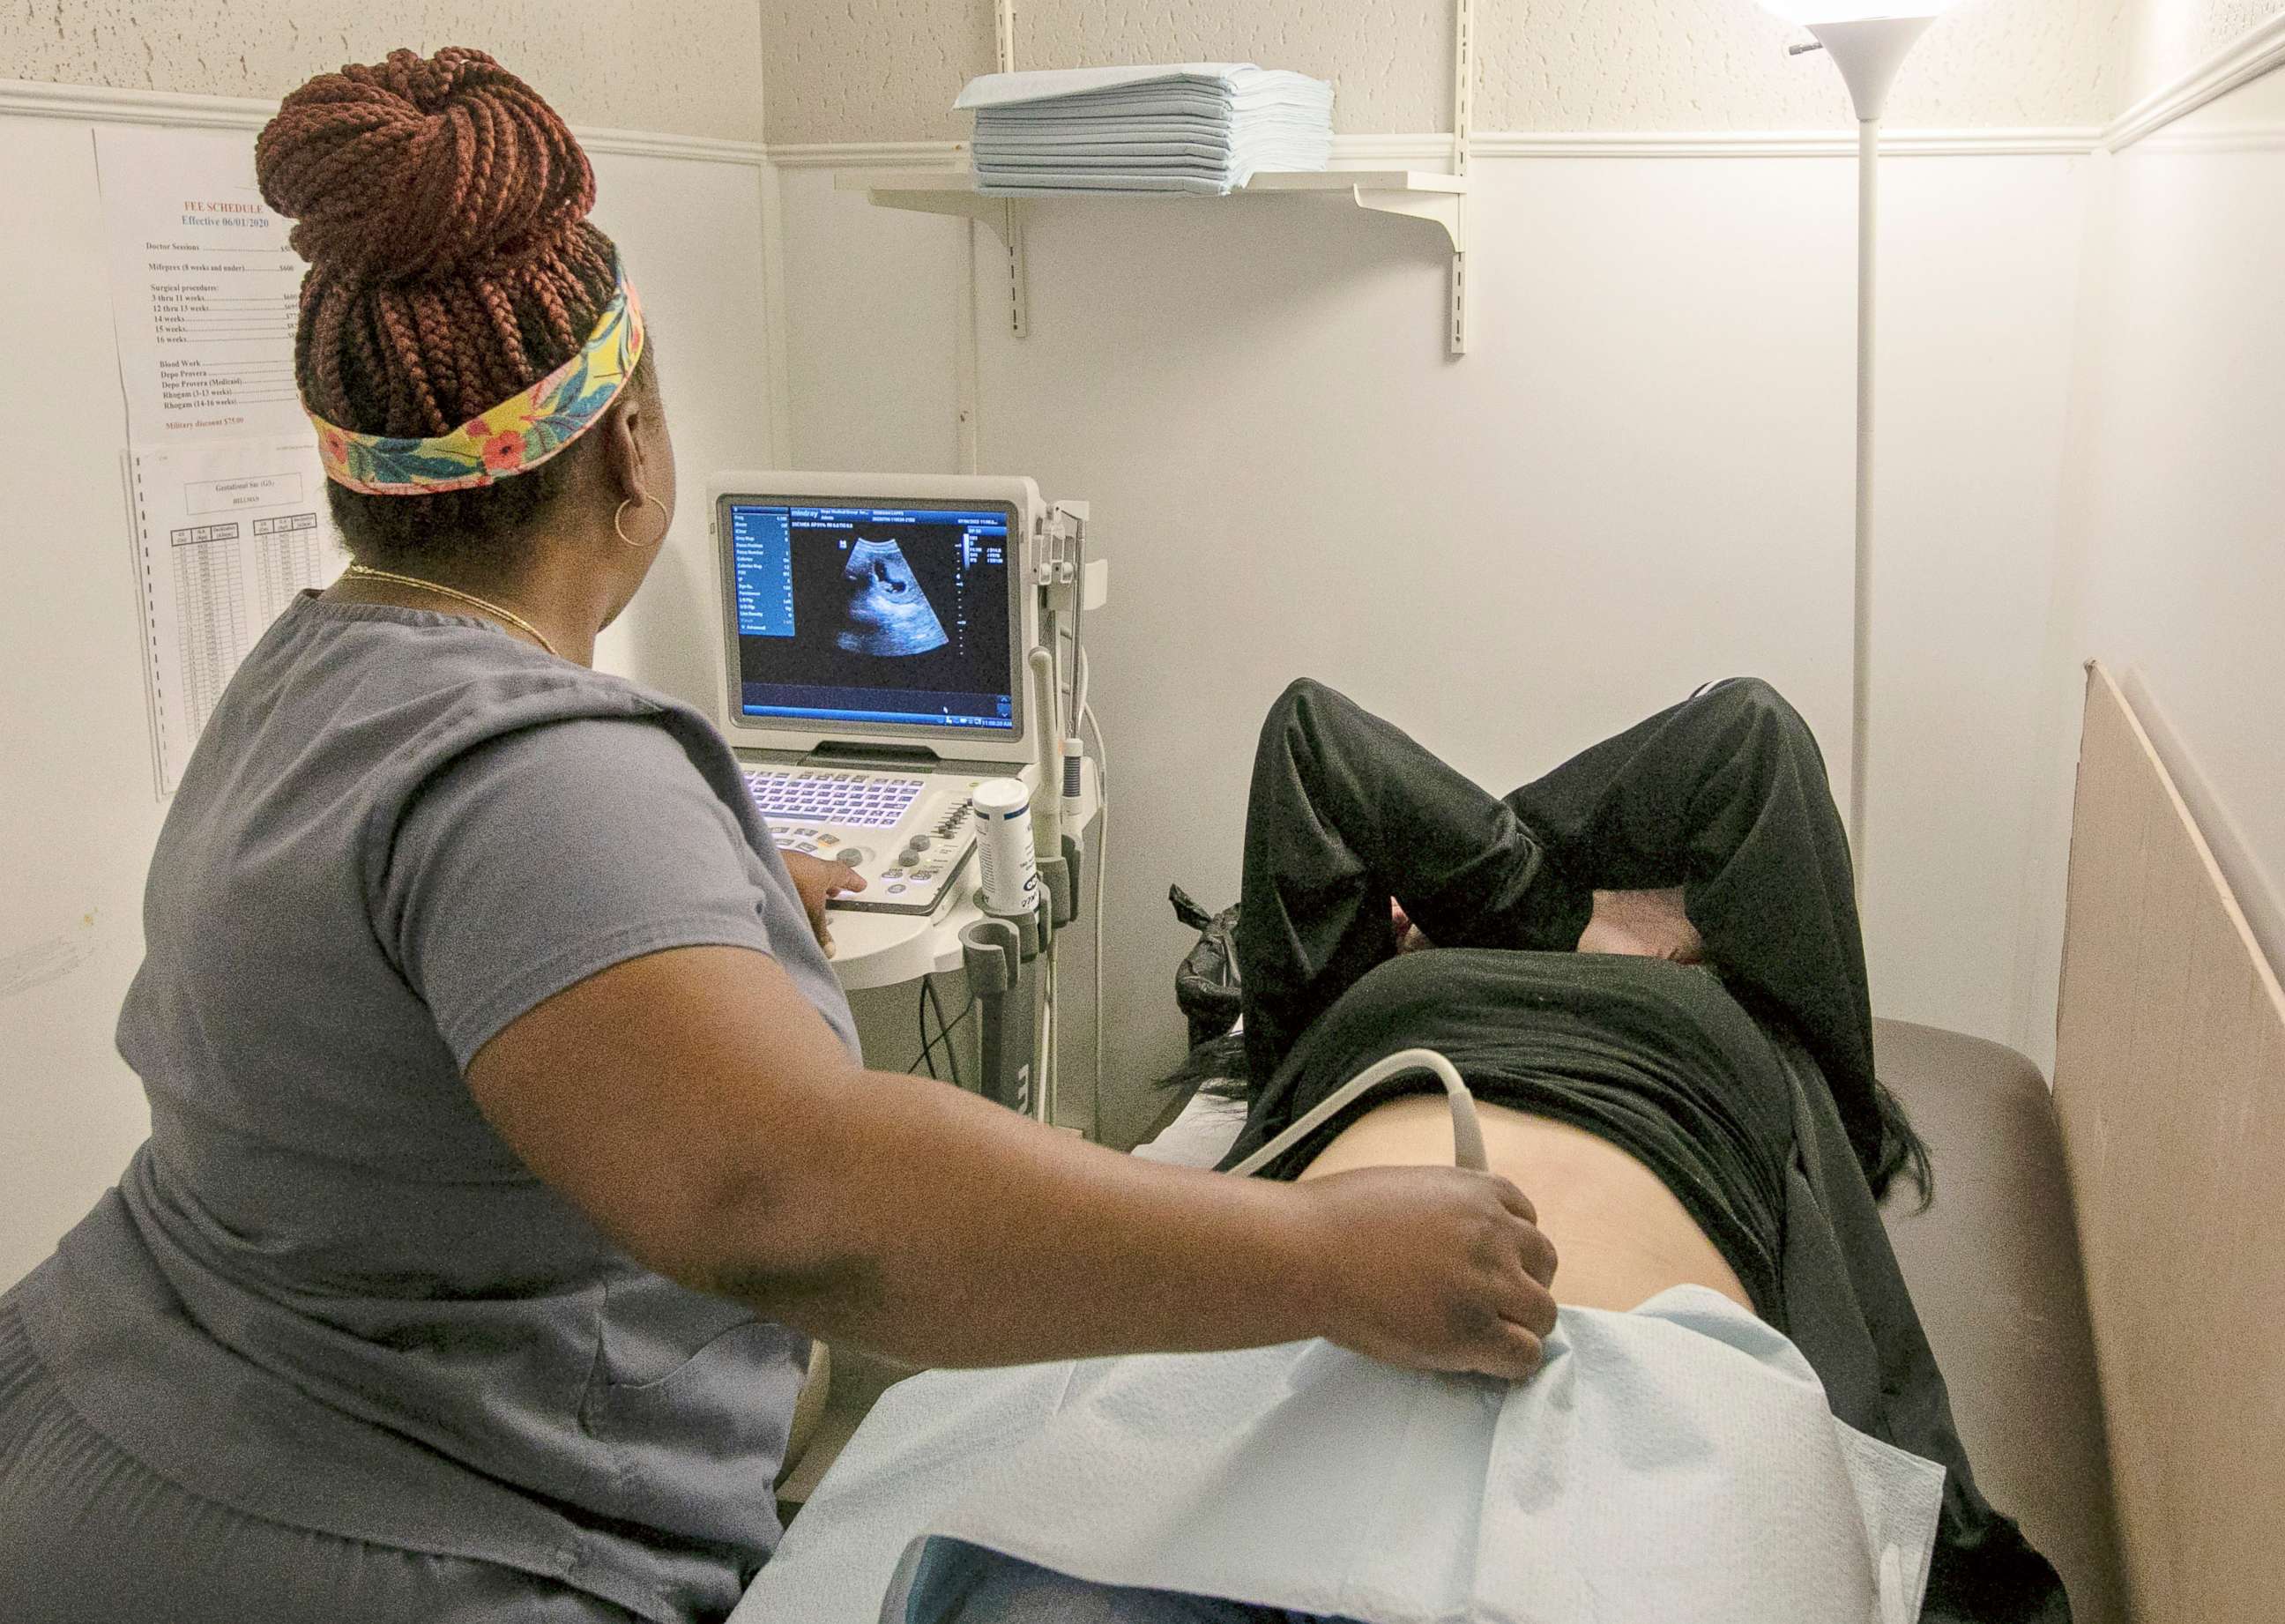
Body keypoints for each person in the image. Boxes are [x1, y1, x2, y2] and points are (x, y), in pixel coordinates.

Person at [0, 51, 1561, 1624]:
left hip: (120, 1409)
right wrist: (1322, 1255)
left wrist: (716, 915)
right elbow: (795, 1206)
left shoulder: (303, 688)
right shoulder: (538, 778)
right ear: (629, 448)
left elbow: (482, 1009)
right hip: (364, 1539)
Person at [821, 677, 2072, 1624]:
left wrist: (1536, 910)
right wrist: (1549, 912)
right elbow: (1310, 736)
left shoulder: (1746, 1034)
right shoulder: (1378, 996)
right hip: (1278, 1354)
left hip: (1637, 1389)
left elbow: (1755, 743)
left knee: (1747, 719)